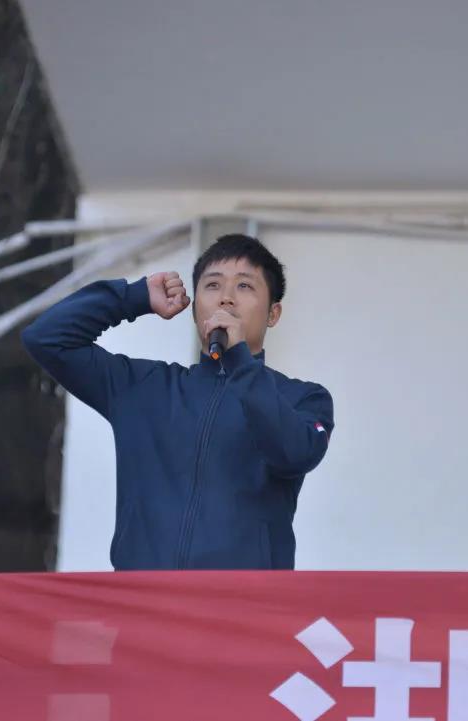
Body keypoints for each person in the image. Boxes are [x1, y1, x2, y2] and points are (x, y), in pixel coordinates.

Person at [22, 234, 334, 569]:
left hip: (242, 599)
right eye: (212, 285)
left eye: (244, 286)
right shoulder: (144, 387)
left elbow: (295, 453)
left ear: (273, 313)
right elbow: (47, 339)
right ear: (195, 308)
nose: (226, 298)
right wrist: (134, 297)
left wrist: (241, 364)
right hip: (144, 597)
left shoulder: (302, 398)